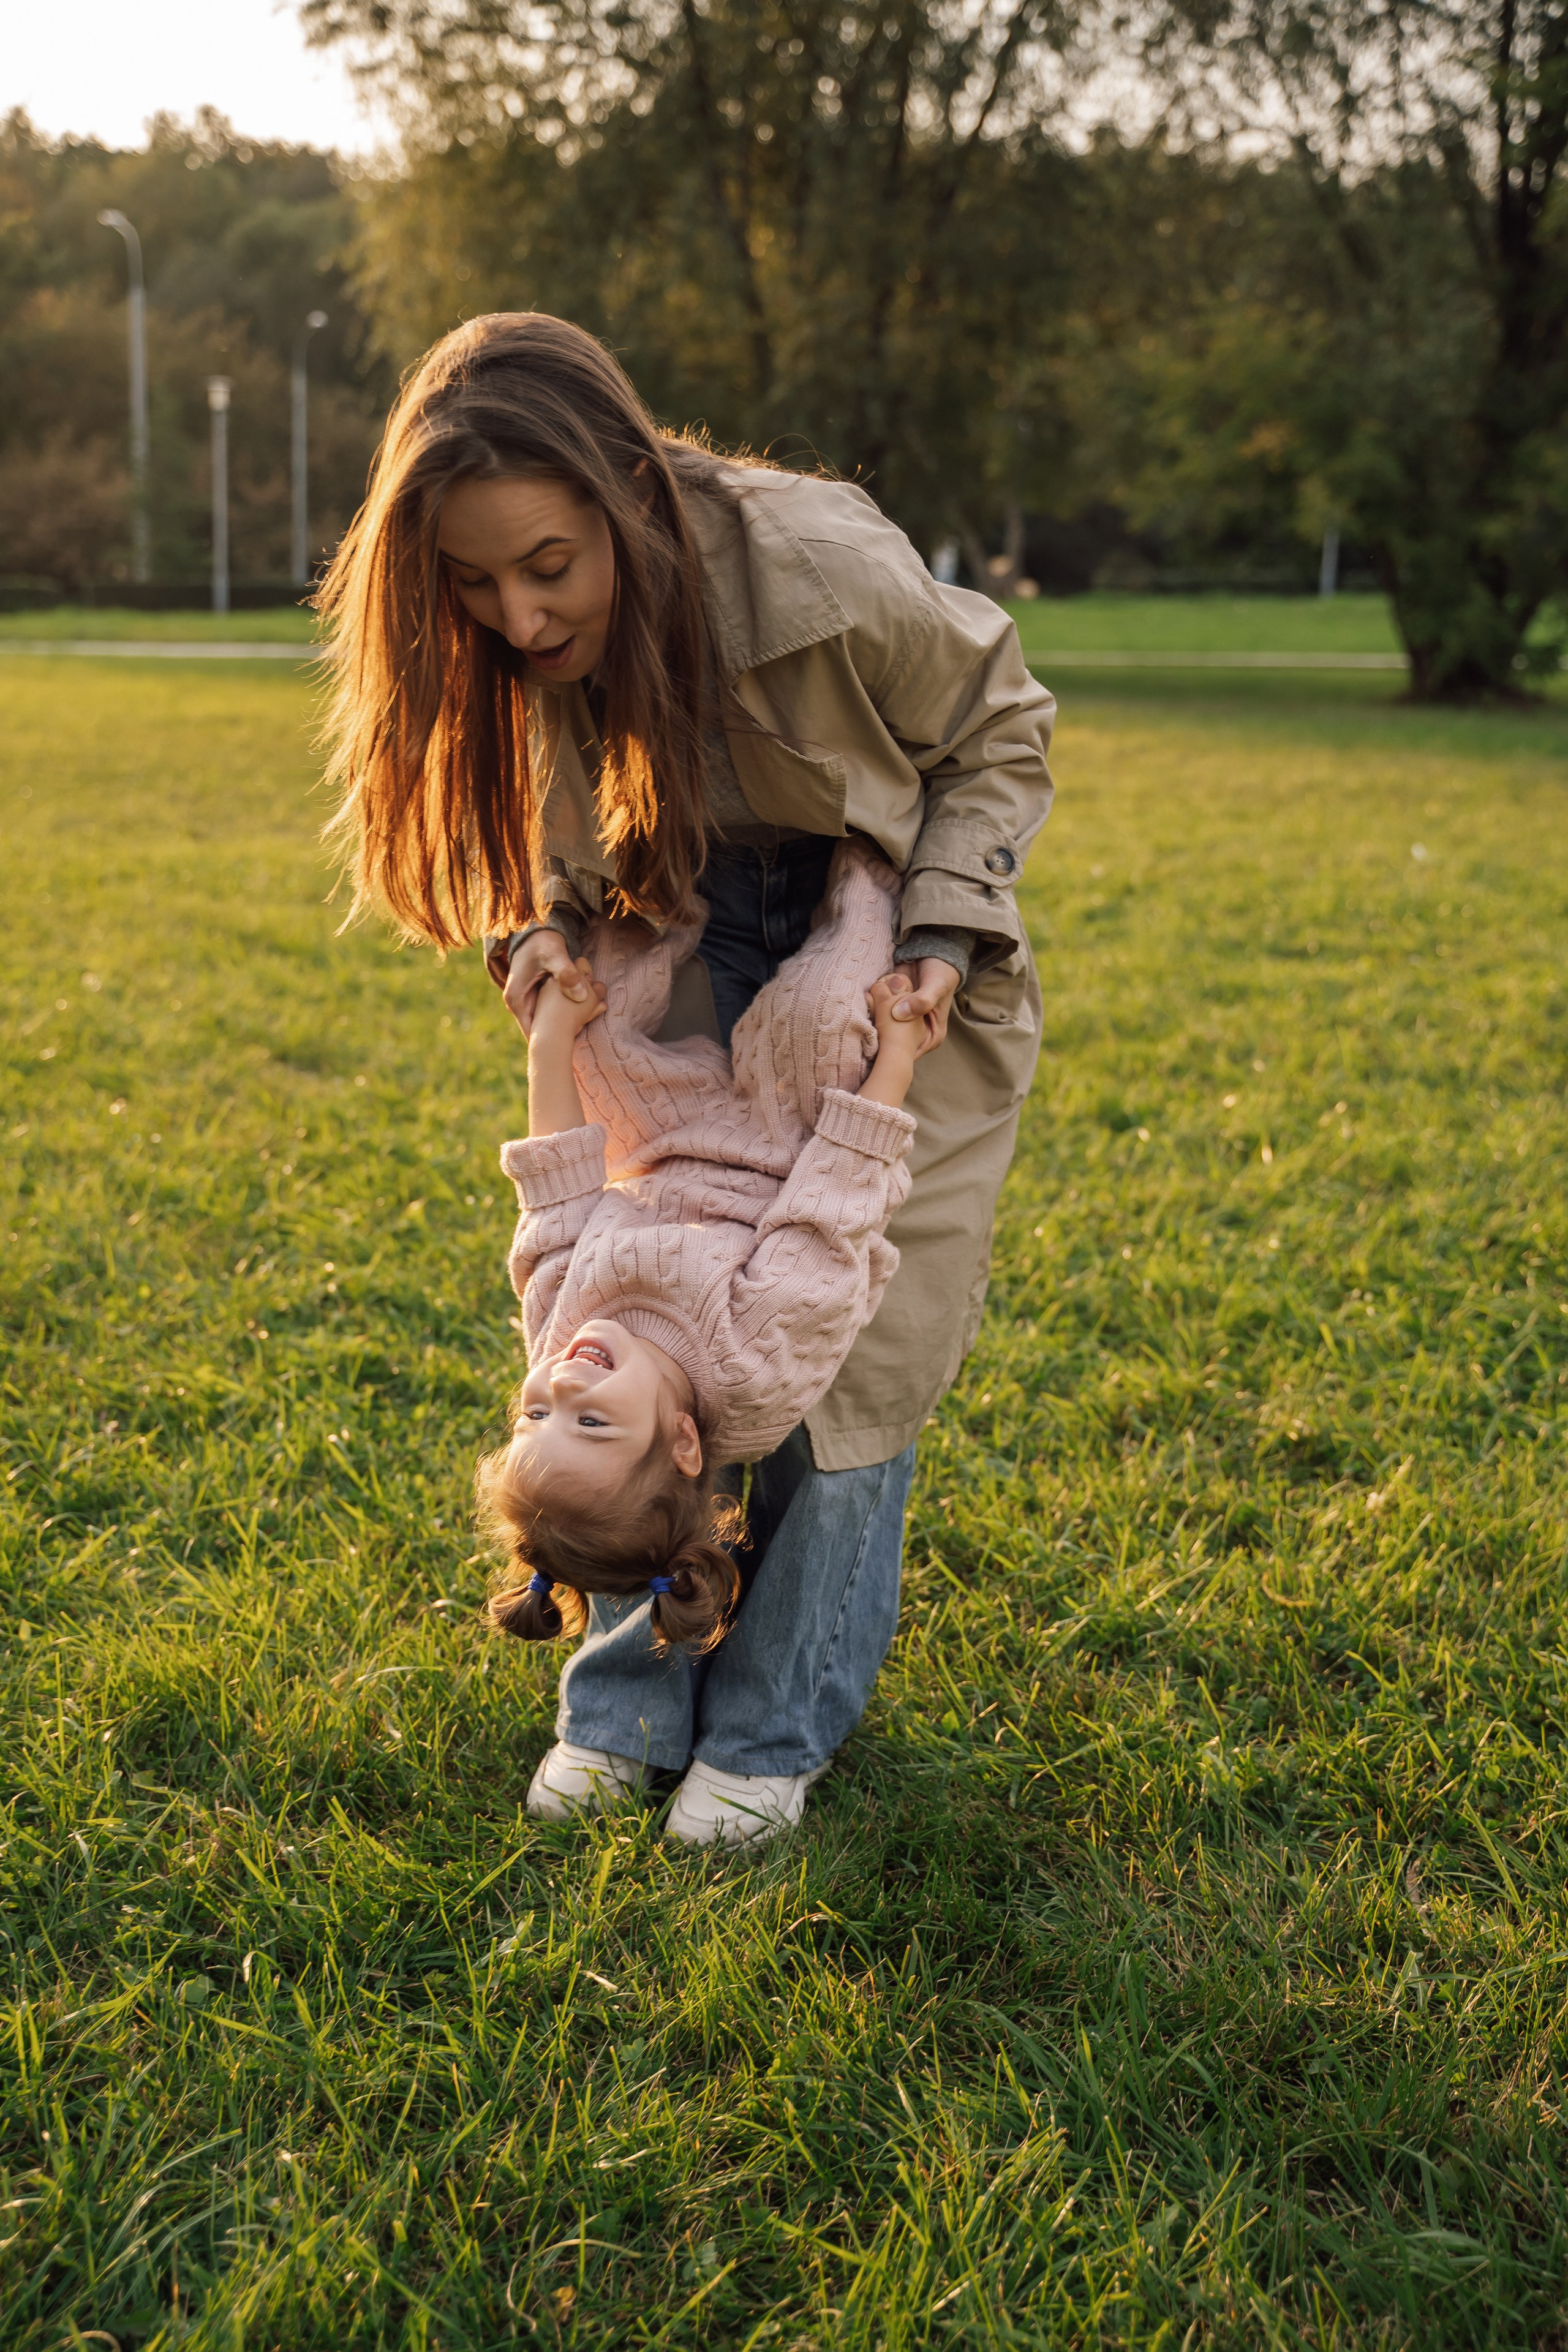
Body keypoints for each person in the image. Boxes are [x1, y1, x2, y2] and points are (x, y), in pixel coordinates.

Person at [318, 311, 1055, 1848]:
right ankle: (626, 1707)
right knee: (629, 1359)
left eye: (544, 565)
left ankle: (772, 1732)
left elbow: (999, 728)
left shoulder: (818, 564)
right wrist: (536, 932)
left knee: (843, 1370)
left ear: (622, 499)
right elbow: (548, 817)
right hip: (684, 953)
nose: (514, 617)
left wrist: (937, 939)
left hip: (878, 960)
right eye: (469, 580)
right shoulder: (529, 629)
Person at [479, 843, 921, 1768]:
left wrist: (552, 1036)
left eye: (534, 1411)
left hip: (659, 1139)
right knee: (821, 1009)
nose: (559, 1380)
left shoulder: (560, 1334)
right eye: (588, 1419)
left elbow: (556, 1183)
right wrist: (899, 1055)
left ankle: (663, 887)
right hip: (786, 1140)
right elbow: (830, 1210)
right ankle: (866, 876)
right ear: (686, 1445)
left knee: (598, 1003)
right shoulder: (749, 1367)